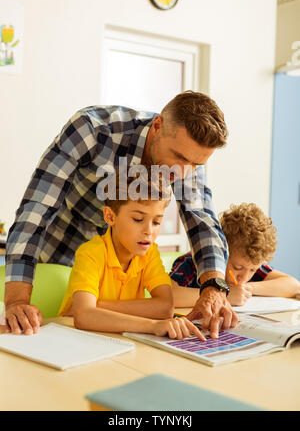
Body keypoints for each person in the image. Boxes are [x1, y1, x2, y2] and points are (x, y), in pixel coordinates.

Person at [3, 91, 238, 337]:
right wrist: (18, 301)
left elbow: (202, 220)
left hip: (121, 281)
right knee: (36, 331)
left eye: (195, 165)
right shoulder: (93, 129)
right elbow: (37, 208)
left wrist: (214, 288)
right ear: (157, 126)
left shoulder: (185, 164)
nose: (182, 173)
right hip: (59, 246)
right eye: (179, 157)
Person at [58, 169, 205, 341]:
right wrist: (152, 325)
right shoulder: (90, 254)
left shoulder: (149, 254)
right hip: (79, 339)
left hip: (123, 339)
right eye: (137, 219)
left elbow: (165, 307)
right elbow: (84, 317)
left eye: (156, 221)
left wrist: (99, 306)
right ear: (110, 216)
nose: (149, 231)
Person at [170, 203, 300, 308]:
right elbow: (169, 296)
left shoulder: (248, 265)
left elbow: (293, 285)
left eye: (252, 270)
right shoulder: (192, 263)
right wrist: (224, 295)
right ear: (220, 252)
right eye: (237, 267)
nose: (244, 277)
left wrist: (248, 288)